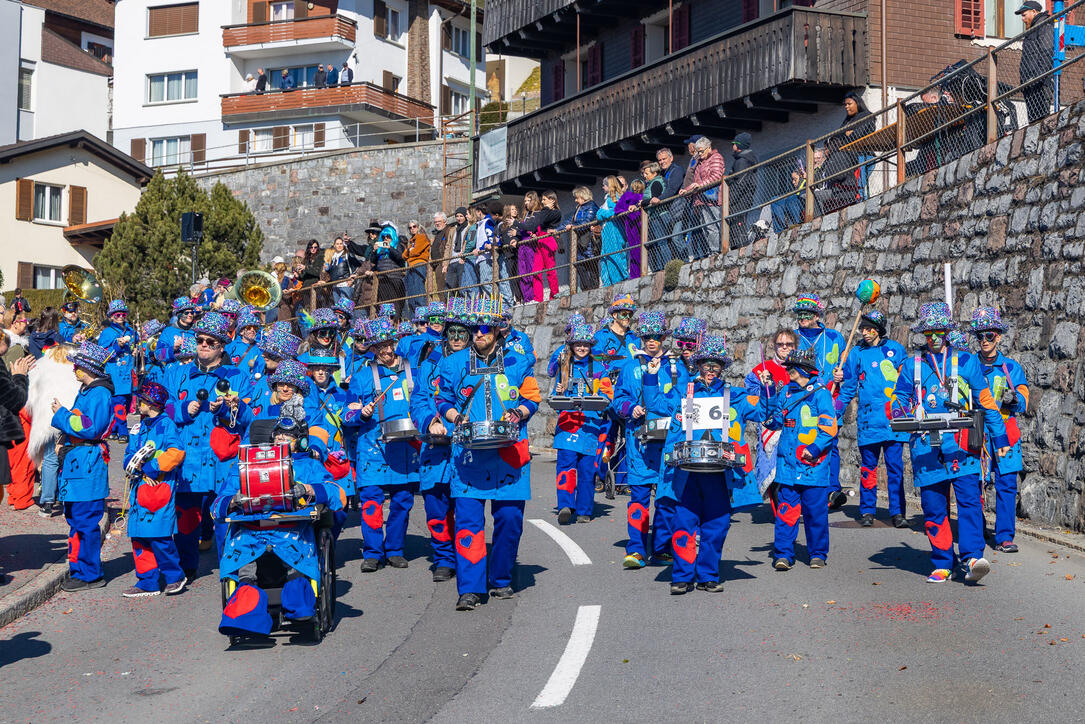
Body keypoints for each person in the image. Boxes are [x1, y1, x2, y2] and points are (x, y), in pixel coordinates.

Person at [890, 302, 1009, 584]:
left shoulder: (966, 361)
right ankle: (943, 561)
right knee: (933, 507)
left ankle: (971, 559)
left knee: (969, 503)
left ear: (946, 332)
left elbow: (986, 400)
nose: (933, 338)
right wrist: (898, 413)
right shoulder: (911, 365)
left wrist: (1000, 436)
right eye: (928, 332)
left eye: (938, 331)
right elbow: (899, 398)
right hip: (925, 447)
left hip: (962, 444)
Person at [435, 297, 541, 611]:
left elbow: (532, 397)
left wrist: (520, 412)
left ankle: (501, 578)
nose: (478, 334)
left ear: (496, 329)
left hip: (508, 453)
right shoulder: (452, 363)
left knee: (510, 519)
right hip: (468, 454)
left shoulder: (518, 361)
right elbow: (442, 399)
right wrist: (455, 417)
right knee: (468, 522)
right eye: (473, 329)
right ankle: (470, 588)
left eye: (484, 328)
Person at [214, 415, 345, 638]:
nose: (282, 439)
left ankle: (299, 604)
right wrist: (234, 500)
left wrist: (308, 490)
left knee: (297, 552)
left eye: (289, 436)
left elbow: (338, 495)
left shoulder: (310, 465)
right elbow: (217, 504)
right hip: (252, 530)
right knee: (244, 558)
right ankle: (245, 609)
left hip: (292, 530)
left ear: (301, 441)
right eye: (278, 434)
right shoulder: (246, 464)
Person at [657, 335, 764, 593]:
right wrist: (651, 378)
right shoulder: (683, 390)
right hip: (686, 472)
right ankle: (682, 576)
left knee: (717, 524)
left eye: (715, 365)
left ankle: (708, 574)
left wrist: (767, 390)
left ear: (722, 368)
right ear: (698, 365)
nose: (710, 370)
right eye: (706, 364)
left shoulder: (735, 395)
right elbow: (658, 404)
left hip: (720, 472)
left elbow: (764, 413)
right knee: (684, 522)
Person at [170, 312, 252, 579]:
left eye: (210, 342)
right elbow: (161, 408)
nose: (203, 345)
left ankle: (230, 571)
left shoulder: (238, 376)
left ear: (221, 346)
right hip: (187, 458)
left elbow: (250, 418)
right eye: (200, 340)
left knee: (225, 517)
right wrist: (185, 408)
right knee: (186, 518)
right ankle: (186, 569)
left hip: (222, 459)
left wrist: (229, 410)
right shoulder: (178, 373)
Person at [343, 317, 419, 572]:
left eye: (389, 344)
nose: (386, 350)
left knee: (402, 500)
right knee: (372, 502)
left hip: (406, 446)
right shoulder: (362, 377)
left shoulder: (413, 371)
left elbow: (426, 402)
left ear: (396, 342)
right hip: (372, 447)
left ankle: (395, 548)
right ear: (372, 348)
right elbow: (347, 413)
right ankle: (373, 551)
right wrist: (360, 414)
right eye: (379, 346)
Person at [612, 312, 684, 568]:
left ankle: (662, 548)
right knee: (639, 498)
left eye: (657, 336)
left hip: (670, 441)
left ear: (664, 337)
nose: (652, 341)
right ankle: (636, 549)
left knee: (666, 498)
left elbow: (685, 398)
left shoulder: (676, 366)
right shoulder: (630, 366)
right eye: (647, 336)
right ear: (641, 337)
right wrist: (630, 408)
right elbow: (617, 399)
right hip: (639, 442)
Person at [409, 298, 471, 582]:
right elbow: (420, 398)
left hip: (467, 446)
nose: (457, 338)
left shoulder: (477, 361)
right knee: (435, 506)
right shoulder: (430, 361)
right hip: (435, 447)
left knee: (466, 507)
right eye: (452, 332)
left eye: (462, 333)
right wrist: (432, 422)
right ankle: (443, 556)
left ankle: (467, 556)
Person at [832, 311, 910, 527]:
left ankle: (898, 512)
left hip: (894, 420)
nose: (864, 332)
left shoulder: (896, 349)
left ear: (879, 329)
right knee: (868, 468)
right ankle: (867, 510)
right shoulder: (856, 353)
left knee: (895, 468)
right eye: (862, 329)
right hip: (868, 421)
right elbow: (848, 388)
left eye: (869, 328)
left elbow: (908, 382)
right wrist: (834, 412)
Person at [764, 348, 837, 571]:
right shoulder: (784, 391)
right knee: (786, 512)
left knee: (815, 514)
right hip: (787, 465)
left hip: (813, 466)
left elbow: (829, 427)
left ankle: (817, 553)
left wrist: (814, 449)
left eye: (791, 369)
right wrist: (768, 394)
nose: (788, 372)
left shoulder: (821, 393)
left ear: (802, 369)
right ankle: (783, 554)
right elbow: (774, 421)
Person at [51, 342, 114, 591]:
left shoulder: (100, 393)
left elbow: (90, 427)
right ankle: (79, 567)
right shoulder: (87, 390)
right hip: (77, 462)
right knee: (75, 518)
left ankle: (90, 573)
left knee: (86, 520)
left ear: (86, 368)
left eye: (76, 365)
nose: (73, 368)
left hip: (88, 464)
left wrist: (62, 415)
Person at [969, 306, 1028, 553]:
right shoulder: (968, 364)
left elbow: (1024, 400)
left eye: (989, 336)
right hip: (978, 432)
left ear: (999, 337)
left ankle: (1005, 536)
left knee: (1006, 485)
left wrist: (1014, 399)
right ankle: (977, 529)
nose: (984, 341)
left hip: (1007, 433)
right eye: (980, 336)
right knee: (975, 483)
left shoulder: (1012, 368)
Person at [121, 381, 188, 597]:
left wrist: (151, 468)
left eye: (140, 401)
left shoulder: (167, 425)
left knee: (159, 537)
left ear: (150, 403)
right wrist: (133, 465)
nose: (136, 404)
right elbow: (128, 455)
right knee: (140, 536)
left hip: (160, 486)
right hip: (138, 487)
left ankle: (174, 576)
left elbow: (176, 453)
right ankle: (147, 580)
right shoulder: (138, 427)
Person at [551, 323, 613, 525]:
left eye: (585, 345)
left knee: (587, 470)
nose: (581, 348)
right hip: (567, 424)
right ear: (571, 345)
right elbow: (554, 399)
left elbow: (608, 396)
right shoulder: (563, 366)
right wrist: (559, 392)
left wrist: (599, 396)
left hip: (590, 425)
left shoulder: (600, 369)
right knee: (566, 467)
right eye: (578, 344)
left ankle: (585, 510)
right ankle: (565, 506)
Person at [792, 293, 848, 509]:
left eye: (806, 313)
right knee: (804, 442)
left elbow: (848, 373)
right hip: (803, 400)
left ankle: (832, 489)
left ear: (817, 315)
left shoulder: (835, 337)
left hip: (830, 398)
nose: (802, 317)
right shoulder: (794, 338)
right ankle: (806, 487)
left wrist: (841, 381)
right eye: (799, 313)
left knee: (831, 443)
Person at [744, 328, 796, 500]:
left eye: (788, 344)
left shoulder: (801, 368)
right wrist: (763, 386)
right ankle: (779, 509)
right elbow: (751, 395)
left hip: (795, 424)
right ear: (774, 346)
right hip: (771, 424)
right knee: (772, 468)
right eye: (780, 344)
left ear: (795, 346)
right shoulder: (762, 369)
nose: (784, 348)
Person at [96, 300, 139, 442]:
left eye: (123, 314)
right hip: (115, 372)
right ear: (111, 316)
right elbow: (102, 354)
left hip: (129, 371)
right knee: (118, 401)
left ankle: (113, 429)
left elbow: (138, 346)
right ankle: (122, 431)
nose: (120, 317)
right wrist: (117, 346)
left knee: (126, 402)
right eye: (117, 314)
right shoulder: (107, 333)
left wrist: (137, 351)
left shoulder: (131, 331)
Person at [680, 136, 725, 260]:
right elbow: (695, 181)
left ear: (709, 148)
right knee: (706, 228)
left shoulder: (716, 157)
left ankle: (718, 250)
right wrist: (686, 190)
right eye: (697, 151)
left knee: (714, 225)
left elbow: (716, 176)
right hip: (701, 199)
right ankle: (713, 250)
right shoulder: (700, 162)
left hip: (713, 198)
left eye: (701, 151)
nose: (699, 154)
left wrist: (698, 185)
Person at [1017, 2, 1054, 123]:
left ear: (1034, 11)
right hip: (1030, 83)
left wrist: (1038, 78)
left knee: (1041, 120)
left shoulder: (1044, 26)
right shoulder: (1033, 30)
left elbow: (1046, 53)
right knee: (1033, 121)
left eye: (1024, 15)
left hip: (1040, 82)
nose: (1022, 19)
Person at [836, 92, 877, 199]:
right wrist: (847, 133)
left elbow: (857, 136)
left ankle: (863, 203)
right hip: (849, 158)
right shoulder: (847, 121)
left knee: (859, 184)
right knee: (852, 185)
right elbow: (837, 137)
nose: (846, 107)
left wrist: (847, 134)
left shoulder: (866, 116)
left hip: (863, 156)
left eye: (849, 104)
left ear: (857, 103)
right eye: (845, 105)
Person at [726, 132, 759, 247]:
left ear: (739, 145)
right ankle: (737, 247)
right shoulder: (742, 160)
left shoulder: (742, 161)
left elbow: (740, 182)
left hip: (740, 199)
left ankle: (741, 248)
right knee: (735, 223)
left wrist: (730, 200)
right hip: (742, 198)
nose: (732, 146)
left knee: (738, 223)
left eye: (734, 143)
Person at [367, 223, 407, 318]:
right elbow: (373, 261)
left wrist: (390, 248)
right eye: (384, 236)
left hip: (394, 278)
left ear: (392, 236)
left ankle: (397, 321)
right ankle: (387, 322)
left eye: (388, 236)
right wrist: (374, 251)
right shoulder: (380, 249)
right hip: (382, 279)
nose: (386, 238)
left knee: (395, 302)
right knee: (385, 302)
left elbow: (400, 258)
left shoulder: (398, 246)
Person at [564, 186, 600, 291]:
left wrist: (573, 226)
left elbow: (586, 221)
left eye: (577, 197)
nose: (575, 200)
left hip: (588, 240)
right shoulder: (578, 208)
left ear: (583, 196)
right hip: (580, 241)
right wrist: (557, 230)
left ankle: (593, 287)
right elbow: (569, 221)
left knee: (591, 263)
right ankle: (586, 287)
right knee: (580, 264)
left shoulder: (592, 206)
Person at [528, 192, 561, 302]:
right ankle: (538, 298)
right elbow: (538, 223)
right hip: (540, 241)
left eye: (544, 199)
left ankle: (554, 294)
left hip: (548, 241)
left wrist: (545, 209)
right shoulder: (544, 212)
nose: (542, 202)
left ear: (552, 200)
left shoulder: (555, 212)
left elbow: (543, 220)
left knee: (550, 271)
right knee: (536, 271)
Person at [597, 176, 629, 286]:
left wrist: (600, 213)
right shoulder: (608, 198)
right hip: (607, 231)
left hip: (614, 231)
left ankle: (619, 280)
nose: (602, 187)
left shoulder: (614, 197)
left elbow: (615, 210)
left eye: (604, 185)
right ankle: (607, 282)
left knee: (615, 255)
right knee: (605, 256)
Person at [614, 179, 644, 280]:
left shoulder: (627, 195)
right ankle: (642, 271)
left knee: (633, 250)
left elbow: (617, 210)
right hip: (642, 222)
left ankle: (635, 274)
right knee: (643, 248)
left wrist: (626, 213)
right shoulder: (643, 196)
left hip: (630, 224)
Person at [514, 193, 540, 302]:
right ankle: (526, 298)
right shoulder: (525, 215)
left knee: (530, 270)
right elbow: (522, 230)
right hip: (522, 245)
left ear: (534, 201)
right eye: (525, 201)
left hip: (531, 245)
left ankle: (533, 297)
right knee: (522, 273)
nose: (526, 203)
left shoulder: (537, 214)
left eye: (528, 201)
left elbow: (533, 228)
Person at [404, 220, 431, 317]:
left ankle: (423, 318)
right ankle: (414, 320)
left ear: (418, 227)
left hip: (419, 265)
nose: (412, 229)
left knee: (418, 293)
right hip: (411, 266)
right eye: (410, 227)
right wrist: (410, 250)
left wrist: (410, 251)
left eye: (414, 226)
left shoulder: (421, 237)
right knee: (411, 296)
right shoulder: (411, 241)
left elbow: (415, 252)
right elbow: (404, 255)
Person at [445, 208, 470, 298]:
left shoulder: (469, 227)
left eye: (461, 216)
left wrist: (463, 256)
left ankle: (463, 307)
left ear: (465, 216)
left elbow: (469, 243)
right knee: (449, 288)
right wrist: (445, 264)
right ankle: (450, 308)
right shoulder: (453, 229)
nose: (459, 218)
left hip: (462, 261)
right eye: (457, 216)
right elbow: (448, 246)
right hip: (452, 261)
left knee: (462, 286)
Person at [325, 236, 354, 308]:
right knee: (338, 309)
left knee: (345, 308)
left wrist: (352, 278)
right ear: (334, 245)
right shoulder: (332, 257)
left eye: (341, 243)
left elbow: (355, 265)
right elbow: (334, 271)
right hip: (335, 285)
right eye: (337, 244)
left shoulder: (347, 254)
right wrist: (327, 269)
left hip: (345, 284)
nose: (339, 245)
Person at [430, 212, 451, 296]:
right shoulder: (438, 233)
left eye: (439, 221)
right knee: (440, 289)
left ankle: (447, 307)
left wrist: (445, 263)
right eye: (435, 222)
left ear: (445, 221)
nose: (437, 224)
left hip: (444, 263)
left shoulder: (448, 230)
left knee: (444, 289)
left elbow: (448, 246)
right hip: (438, 264)